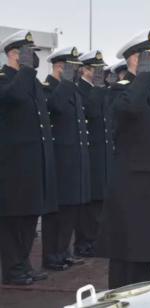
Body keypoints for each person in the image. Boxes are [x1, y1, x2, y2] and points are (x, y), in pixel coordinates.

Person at [95, 30, 150, 289]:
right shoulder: (120, 90)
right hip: (131, 183)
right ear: (134, 59)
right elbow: (129, 108)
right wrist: (141, 75)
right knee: (125, 250)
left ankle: (140, 287)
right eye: (149, 56)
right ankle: (119, 295)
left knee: (144, 247)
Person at [0, 30, 56, 285]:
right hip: (12, 165)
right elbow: (14, 97)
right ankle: (12, 270)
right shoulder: (5, 79)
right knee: (13, 218)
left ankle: (23, 264)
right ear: (13, 54)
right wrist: (24, 70)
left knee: (29, 216)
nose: (32, 58)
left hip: (33, 162)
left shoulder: (30, 81)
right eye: (27, 53)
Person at [42, 46, 90, 270]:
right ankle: (52, 256)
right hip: (60, 160)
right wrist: (67, 83)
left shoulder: (71, 89)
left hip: (74, 160)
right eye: (72, 68)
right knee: (57, 213)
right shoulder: (48, 88)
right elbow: (56, 108)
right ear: (60, 67)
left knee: (70, 210)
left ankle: (64, 252)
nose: (77, 73)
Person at [74, 50, 109, 257]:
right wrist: (97, 88)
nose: (100, 73)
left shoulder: (98, 89)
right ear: (84, 70)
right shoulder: (82, 89)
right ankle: (84, 242)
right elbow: (92, 112)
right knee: (90, 203)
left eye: (101, 69)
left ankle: (95, 239)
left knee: (100, 200)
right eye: (95, 69)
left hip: (102, 150)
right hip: (91, 151)